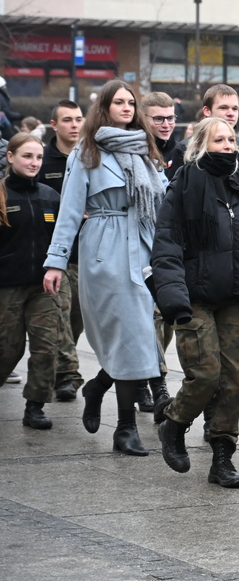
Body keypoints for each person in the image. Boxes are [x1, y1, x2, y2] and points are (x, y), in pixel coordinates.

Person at [43, 79, 165, 457]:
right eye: (119, 102)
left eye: (131, 102)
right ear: (105, 108)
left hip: (143, 247)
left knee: (140, 338)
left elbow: (163, 201)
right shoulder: (85, 152)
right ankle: (125, 428)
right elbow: (68, 211)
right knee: (129, 339)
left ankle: (97, 386)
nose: (127, 108)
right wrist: (56, 261)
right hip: (105, 247)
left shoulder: (146, 150)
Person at [151, 118, 239, 488]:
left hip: (238, 298)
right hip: (194, 297)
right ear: (201, 145)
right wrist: (173, 297)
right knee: (205, 375)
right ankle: (174, 423)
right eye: (219, 139)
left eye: (231, 139)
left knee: (233, 378)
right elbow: (166, 244)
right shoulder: (184, 184)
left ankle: (222, 456)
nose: (229, 145)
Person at [0, 134, 66, 430]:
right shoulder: (1, 194)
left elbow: (62, 238)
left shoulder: (50, 195)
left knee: (46, 346)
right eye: (27, 156)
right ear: (10, 157)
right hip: (7, 285)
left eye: (38, 157)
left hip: (43, 286)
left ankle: (35, 406)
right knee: (7, 348)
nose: (34, 163)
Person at [38, 100, 85, 401]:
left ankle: (60, 365)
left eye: (79, 119)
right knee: (60, 314)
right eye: (67, 120)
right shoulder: (43, 159)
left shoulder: (90, 156)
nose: (75, 125)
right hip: (57, 255)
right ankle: (68, 374)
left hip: (87, 253)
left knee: (77, 319)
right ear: (54, 125)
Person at [140, 92, 183, 412]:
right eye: (159, 118)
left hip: (175, 246)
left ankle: (147, 379)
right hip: (143, 246)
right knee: (149, 317)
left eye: (170, 117)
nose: (166, 124)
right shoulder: (137, 151)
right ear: (143, 118)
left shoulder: (182, 152)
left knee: (165, 319)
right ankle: (154, 382)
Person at [168, 85, 239, 203]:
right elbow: (173, 198)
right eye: (223, 108)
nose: (231, 113)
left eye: (235, 109)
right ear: (207, 111)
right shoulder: (185, 149)